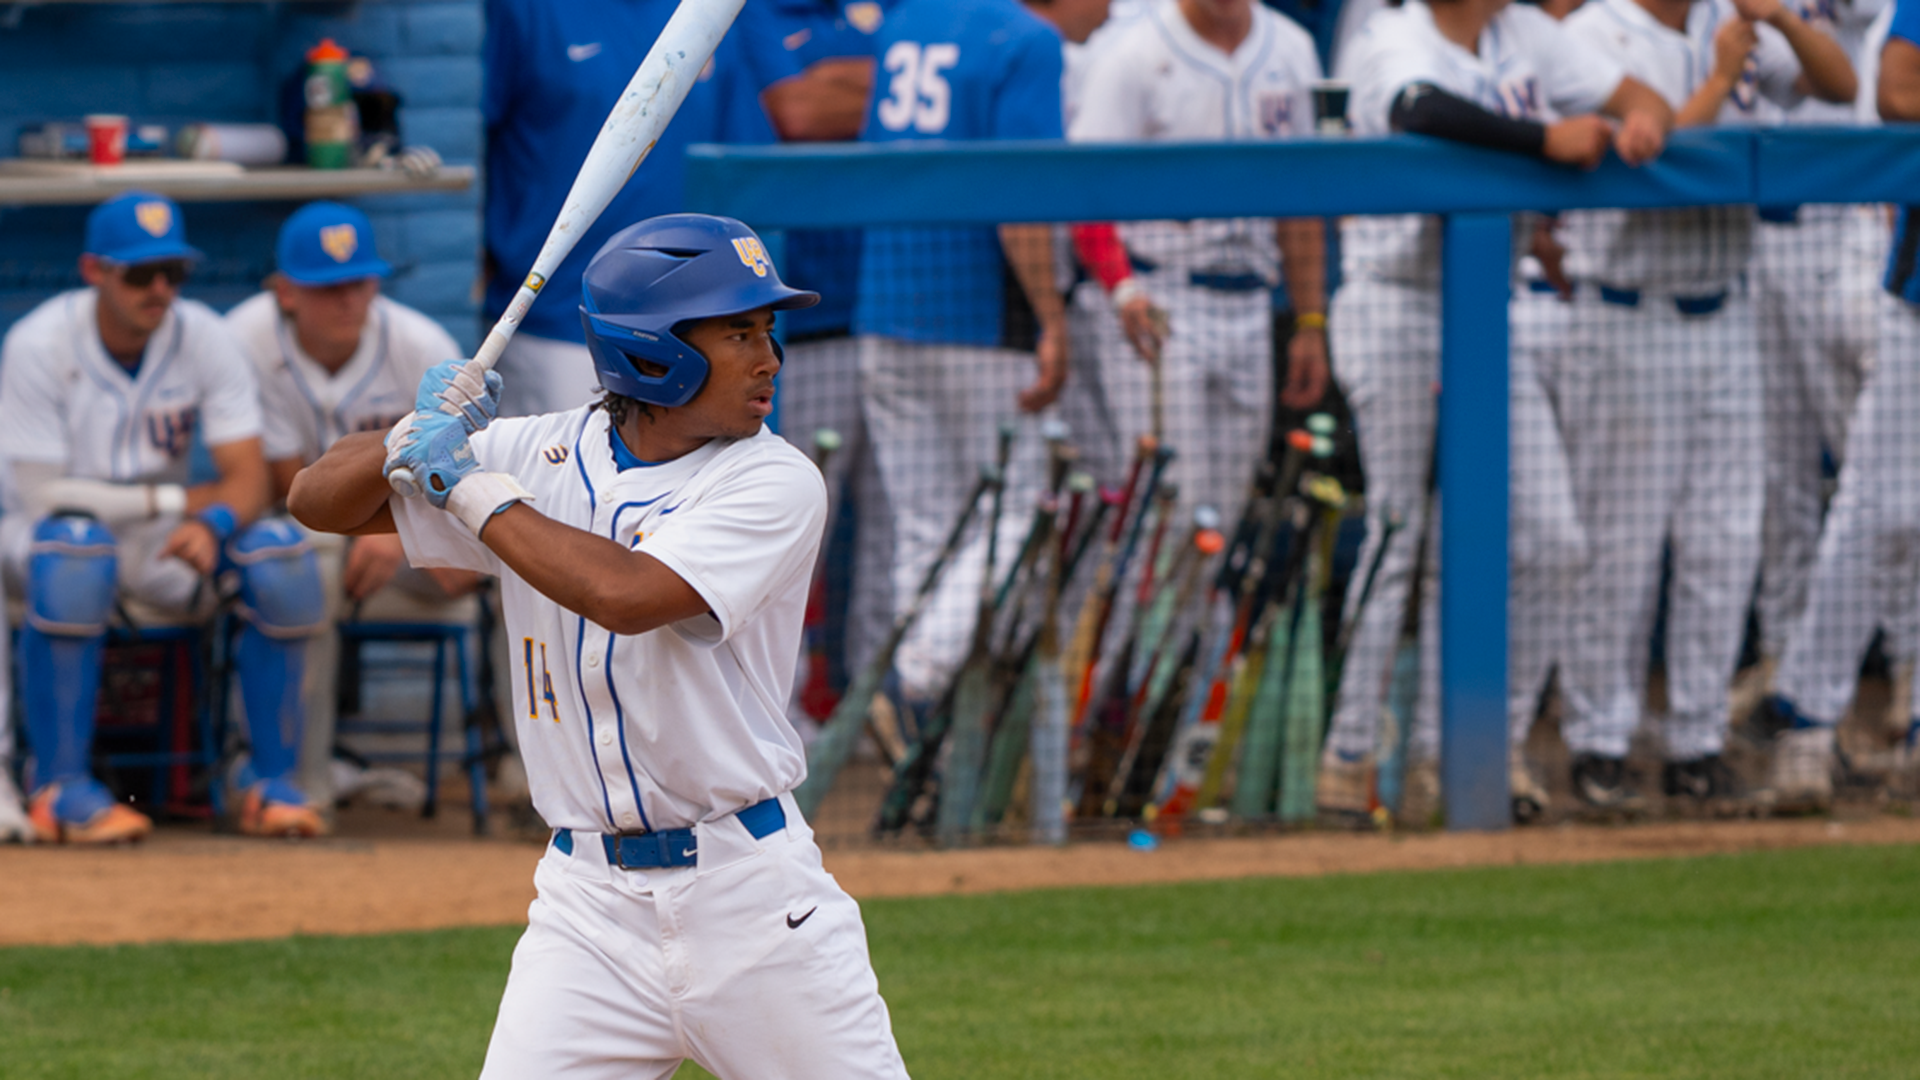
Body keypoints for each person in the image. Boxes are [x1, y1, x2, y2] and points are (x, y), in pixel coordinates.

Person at [288, 213, 908, 1078]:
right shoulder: (533, 455)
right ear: (653, 351)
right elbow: (316, 501)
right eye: (739, 332)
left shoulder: (774, 478)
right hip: (587, 913)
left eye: (768, 330)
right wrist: (408, 435)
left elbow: (626, 595)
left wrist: (468, 489)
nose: (769, 358)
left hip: (753, 904)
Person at [1311, 0, 1671, 823]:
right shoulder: (1391, 34)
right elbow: (1420, 110)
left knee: (1552, 540)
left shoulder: (1527, 35)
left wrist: (1645, 120)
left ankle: (1476, 744)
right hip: (1394, 303)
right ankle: (1350, 750)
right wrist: (1545, 141)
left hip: (1485, 307)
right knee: (1401, 536)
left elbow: (1639, 95)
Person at [1551, 0, 1854, 808]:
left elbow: (1841, 83)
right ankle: (1599, 740)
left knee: (1723, 542)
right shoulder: (1593, 34)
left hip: (1727, 308)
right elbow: (1657, 161)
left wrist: (1784, 25)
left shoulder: (1733, 21)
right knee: (1621, 543)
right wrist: (1722, 73)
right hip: (1628, 306)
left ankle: (1695, 739)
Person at [0, 191, 329, 843]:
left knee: (280, 554)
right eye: (139, 274)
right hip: (36, 539)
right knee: (74, 551)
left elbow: (245, 478)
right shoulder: (39, 341)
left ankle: (265, 782)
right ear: (95, 271)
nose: (159, 289)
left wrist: (212, 524)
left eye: (172, 273)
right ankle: (59, 788)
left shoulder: (203, 335)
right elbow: (42, 497)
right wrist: (176, 503)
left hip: (159, 544)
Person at [225, 201, 485, 813]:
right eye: (327, 287)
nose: (348, 300)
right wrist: (386, 526)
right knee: (299, 570)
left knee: (517, 564)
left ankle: (524, 782)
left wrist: (402, 535)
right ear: (285, 292)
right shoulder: (245, 338)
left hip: (408, 553)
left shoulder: (420, 343)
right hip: (309, 546)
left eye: (359, 282)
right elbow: (287, 487)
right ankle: (295, 784)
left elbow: (468, 472)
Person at [855, 0, 1074, 702]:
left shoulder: (904, 22)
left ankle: (928, 713)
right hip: (982, 317)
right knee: (1015, 512)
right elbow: (1021, 199)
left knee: (926, 529)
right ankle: (920, 676)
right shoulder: (1026, 38)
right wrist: (1052, 318)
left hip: (887, 301)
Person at [1067, 0, 1332, 537]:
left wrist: (1310, 321)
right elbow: (1081, 189)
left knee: (1224, 518)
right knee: (1164, 515)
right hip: (1159, 299)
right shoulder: (1131, 49)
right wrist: (1122, 288)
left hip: (1253, 303)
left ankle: (1200, 624)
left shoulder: (1292, 48)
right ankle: (1141, 626)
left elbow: (1300, 198)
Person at [1765, 0, 1920, 809]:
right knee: (1881, 508)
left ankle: (1818, 708)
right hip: (1914, 300)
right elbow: (1894, 91)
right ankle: (1807, 711)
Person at [482, 0, 772, 417]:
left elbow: (743, 166)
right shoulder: (527, 10)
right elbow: (469, 143)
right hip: (560, 321)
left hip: (690, 330)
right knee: (555, 479)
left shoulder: (707, 10)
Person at [1736, 0, 1892, 726]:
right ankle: (1782, 656)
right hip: (1758, 234)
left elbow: (1860, 65)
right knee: (1779, 476)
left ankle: (1904, 669)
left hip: (1851, 229)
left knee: (1876, 473)